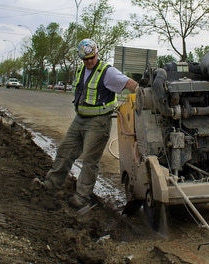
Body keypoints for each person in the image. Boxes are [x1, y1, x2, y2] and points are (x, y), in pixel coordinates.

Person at [32, 39, 138, 209]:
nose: (89, 61)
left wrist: (143, 94)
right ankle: (50, 185)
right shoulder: (81, 69)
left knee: (90, 160)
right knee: (65, 152)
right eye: (85, 59)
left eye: (91, 57)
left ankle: (82, 196)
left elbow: (129, 84)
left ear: (97, 54)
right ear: (80, 58)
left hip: (98, 123)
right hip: (79, 119)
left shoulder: (108, 72)